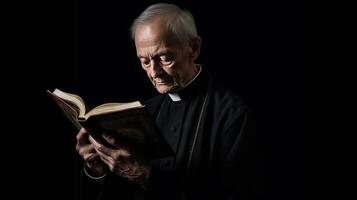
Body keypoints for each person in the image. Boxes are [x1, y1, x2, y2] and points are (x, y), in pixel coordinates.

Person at [76, 3, 256, 200]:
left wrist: (145, 175)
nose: (154, 73)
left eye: (165, 58)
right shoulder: (146, 111)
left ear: (193, 49)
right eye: (145, 61)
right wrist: (96, 168)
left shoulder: (233, 114)